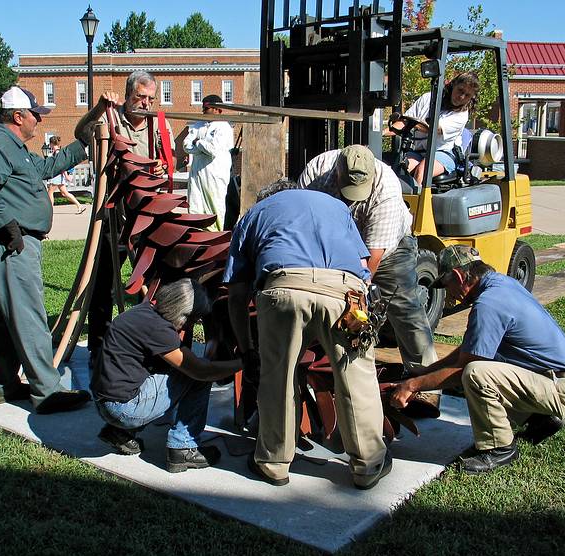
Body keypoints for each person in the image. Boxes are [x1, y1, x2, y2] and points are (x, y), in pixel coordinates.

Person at [224, 180, 391, 490]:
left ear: (268, 198)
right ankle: (368, 465)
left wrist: (247, 349)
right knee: (356, 377)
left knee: (277, 377)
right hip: (345, 291)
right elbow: (364, 264)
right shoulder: (337, 206)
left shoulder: (253, 214)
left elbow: (236, 294)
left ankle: (274, 463)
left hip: (283, 288)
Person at [389, 245, 565, 474]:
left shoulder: (489, 304)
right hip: (557, 379)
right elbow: (469, 349)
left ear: (458, 276)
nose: (448, 295)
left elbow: (463, 369)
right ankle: (541, 418)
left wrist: (411, 386)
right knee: (480, 366)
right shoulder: (502, 285)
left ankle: (499, 447)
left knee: (476, 374)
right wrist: (424, 372)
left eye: (447, 286)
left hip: (560, 388)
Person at [0, 86, 92, 413]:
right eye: (36, 114)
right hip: (12, 244)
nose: (39, 119)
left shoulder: (16, 149)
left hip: (8, 242)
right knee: (28, 314)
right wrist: (7, 225)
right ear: (18, 116)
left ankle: (1, 384)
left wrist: (84, 145)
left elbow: (45, 169)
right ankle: (47, 391)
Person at [297, 145, 437, 373]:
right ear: (337, 172)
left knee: (405, 308)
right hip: (332, 245)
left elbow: (370, 264)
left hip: (387, 252)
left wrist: (355, 296)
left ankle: (425, 378)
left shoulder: (387, 192)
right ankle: (327, 366)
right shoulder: (317, 171)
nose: (351, 198)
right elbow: (305, 223)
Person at [74, 71, 176, 364]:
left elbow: (171, 159)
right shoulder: (110, 118)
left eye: (149, 99)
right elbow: (81, 134)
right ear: (128, 94)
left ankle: (154, 343)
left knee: (154, 279)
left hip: (148, 213)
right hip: (113, 214)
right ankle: (99, 347)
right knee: (104, 279)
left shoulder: (159, 123)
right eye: (139, 97)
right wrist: (97, 108)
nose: (144, 104)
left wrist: (160, 167)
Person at [91, 278, 242, 471]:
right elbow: (201, 371)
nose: (190, 327)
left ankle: (120, 433)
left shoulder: (143, 312)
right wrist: (240, 363)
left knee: (176, 368)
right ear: (183, 314)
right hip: (123, 408)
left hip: (105, 402)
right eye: (193, 321)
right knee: (197, 376)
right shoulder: (160, 330)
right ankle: (183, 447)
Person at [386, 72, 479, 187]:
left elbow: (434, 130)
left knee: (422, 170)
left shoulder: (462, 115)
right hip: (420, 152)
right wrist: (379, 134)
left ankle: (417, 203)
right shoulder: (427, 98)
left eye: (467, 95)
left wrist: (411, 123)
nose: (461, 97)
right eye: (460, 90)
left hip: (444, 153)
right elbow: (404, 122)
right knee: (398, 171)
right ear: (453, 84)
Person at [183, 94, 234, 232]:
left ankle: (216, 239)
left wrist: (198, 142)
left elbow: (213, 149)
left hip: (215, 175)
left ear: (217, 109)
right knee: (195, 207)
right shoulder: (198, 124)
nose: (203, 111)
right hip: (197, 174)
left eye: (207, 108)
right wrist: (201, 145)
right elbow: (186, 145)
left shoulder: (224, 127)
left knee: (215, 207)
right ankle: (196, 239)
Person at [46, 136, 86, 215]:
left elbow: (61, 165)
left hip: (57, 175)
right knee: (64, 193)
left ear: (51, 144)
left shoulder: (57, 153)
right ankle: (80, 206)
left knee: (50, 192)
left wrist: (66, 176)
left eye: (50, 144)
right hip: (59, 175)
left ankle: (49, 211)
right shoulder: (57, 152)